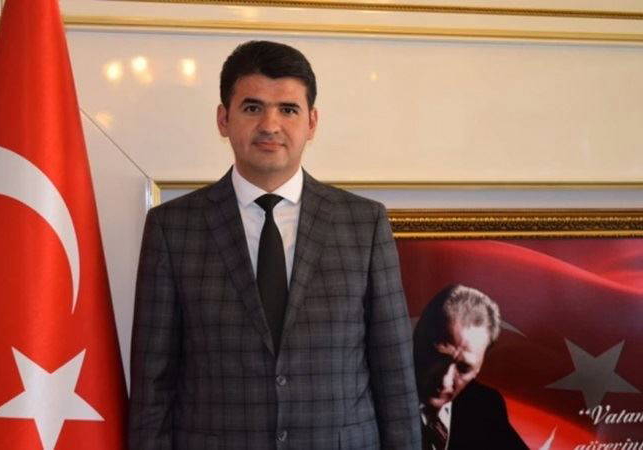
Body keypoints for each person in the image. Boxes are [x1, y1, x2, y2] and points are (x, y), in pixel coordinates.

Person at [128, 40, 420, 450]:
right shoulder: (172, 228)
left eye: (288, 109)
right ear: (223, 119)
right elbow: (152, 387)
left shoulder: (364, 224)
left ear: (312, 122)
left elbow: (395, 375)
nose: (270, 124)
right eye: (252, 108)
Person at [413, 284, 528, 450]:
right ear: (418, 338)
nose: (445, 381)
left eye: (464, 368)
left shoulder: (485, 405)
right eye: (440, 357)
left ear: (479, 367)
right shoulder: (378, 402)